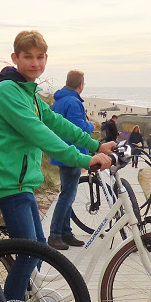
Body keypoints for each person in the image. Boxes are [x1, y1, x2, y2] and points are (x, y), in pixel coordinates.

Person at [0, 30, 113, 302]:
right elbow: (41, 135)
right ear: (15, 59)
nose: (35, 63)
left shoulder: (29, 93)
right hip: (7, 184)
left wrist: (95, 144)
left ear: (46, 59)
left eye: (40, 57)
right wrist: (85, 160)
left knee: (34, 252)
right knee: (30, 253)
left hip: (21, 183)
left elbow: (56, 122)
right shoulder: (9, 92)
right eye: (28, 57)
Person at [47, 70, 94, 250]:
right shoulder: (73, 102)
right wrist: (91, 125)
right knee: (67, 196)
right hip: (71, 153)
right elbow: (78, 128)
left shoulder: (59, 101)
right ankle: (55, 234)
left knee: (67, 192)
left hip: (61, 151)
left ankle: (65, 232)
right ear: (80, 85)